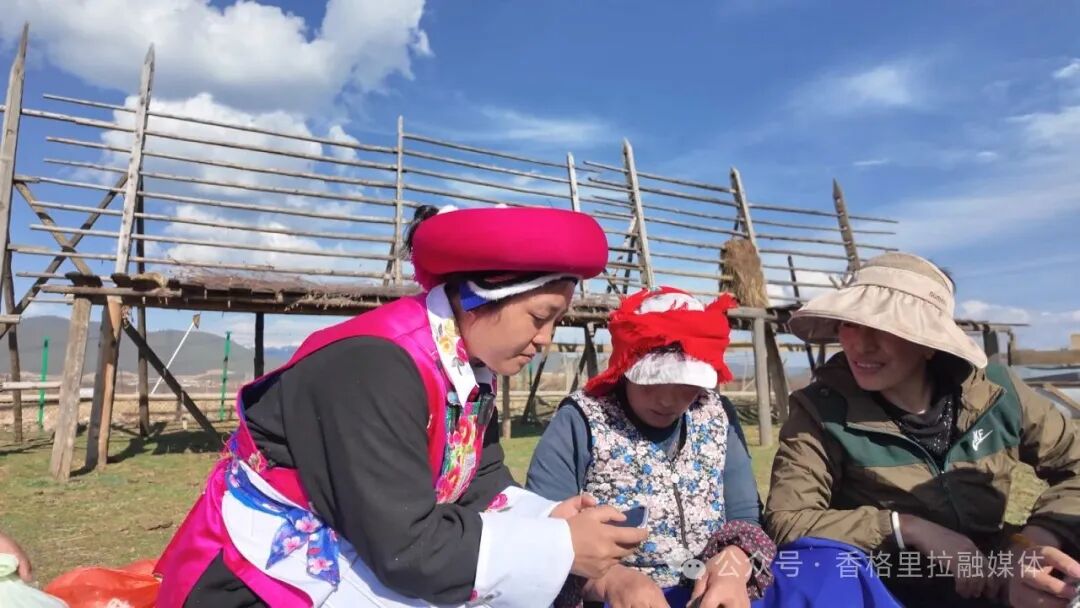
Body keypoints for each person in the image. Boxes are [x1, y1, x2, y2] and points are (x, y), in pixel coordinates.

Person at [155, 204, 648, 607]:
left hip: (370, 547)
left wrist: (549, 518)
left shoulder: (470, 372)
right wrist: (559, 548)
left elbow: (480, 481)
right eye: (540, 316)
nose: (545, 340)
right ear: (479, 298)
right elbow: (405, 546)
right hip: (261, 582)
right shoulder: (373, 367)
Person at [764, 252, 1080, 607]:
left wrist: (1037, 542)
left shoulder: (998, 393)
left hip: (994, 579)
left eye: (884, 327)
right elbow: (787, 520)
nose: (861, 345)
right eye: (850, 324)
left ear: (929, 344)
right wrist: (906, 528)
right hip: (882, 591)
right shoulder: (820, 412)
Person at [527, 287, 776, 608]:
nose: (667, 400)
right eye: (652, 382)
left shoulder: (716, 415)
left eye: (685, 384)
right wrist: (610, 580)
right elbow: (541, 534)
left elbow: (745, 519)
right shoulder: (581, 421)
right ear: (625, 368)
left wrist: (733, 565)